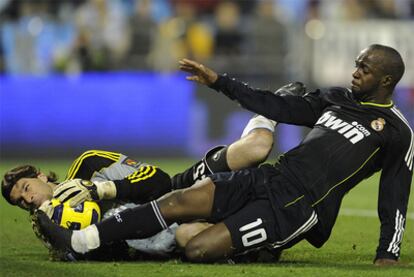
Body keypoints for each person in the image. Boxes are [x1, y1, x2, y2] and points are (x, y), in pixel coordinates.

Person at [35, 44, 412, 266]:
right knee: (180, 199)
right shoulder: (336, 99)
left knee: (197, 247)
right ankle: (80, 241)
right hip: (271, 177)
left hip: (296, 208)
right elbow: (274, 106)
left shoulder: (396, 132)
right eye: (357, 64)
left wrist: (388, 252)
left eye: (365, 68)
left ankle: (261, 249)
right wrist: (220, 82)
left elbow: (394, 194)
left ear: (386, 80)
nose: (355, 72)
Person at [2, 82, 306, 261]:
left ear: (41, 176)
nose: (27, 200)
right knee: (190, 239)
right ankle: (260, 244)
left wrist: (99, 189)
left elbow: (157, 180)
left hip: (176, 193)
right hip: (165, 232)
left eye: (26, 189)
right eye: (20, 202)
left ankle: (267, 114)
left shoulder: (90, 165)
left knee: (253, 150)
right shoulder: (54, 221)